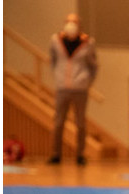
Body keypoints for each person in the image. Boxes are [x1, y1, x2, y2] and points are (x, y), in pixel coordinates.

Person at [48, 13, 97, 166]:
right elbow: (53, 61)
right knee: (58, 122)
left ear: (79, 25)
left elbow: (93, 65)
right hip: (62, 87)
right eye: (69, 22)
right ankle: (56, 154)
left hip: (80, 89)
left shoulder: (88, 42)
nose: (71, 24)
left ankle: (80, 155)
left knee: (80, 123)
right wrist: (58, 78)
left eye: (74, 22)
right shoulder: (56, 40)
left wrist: (87, 82)